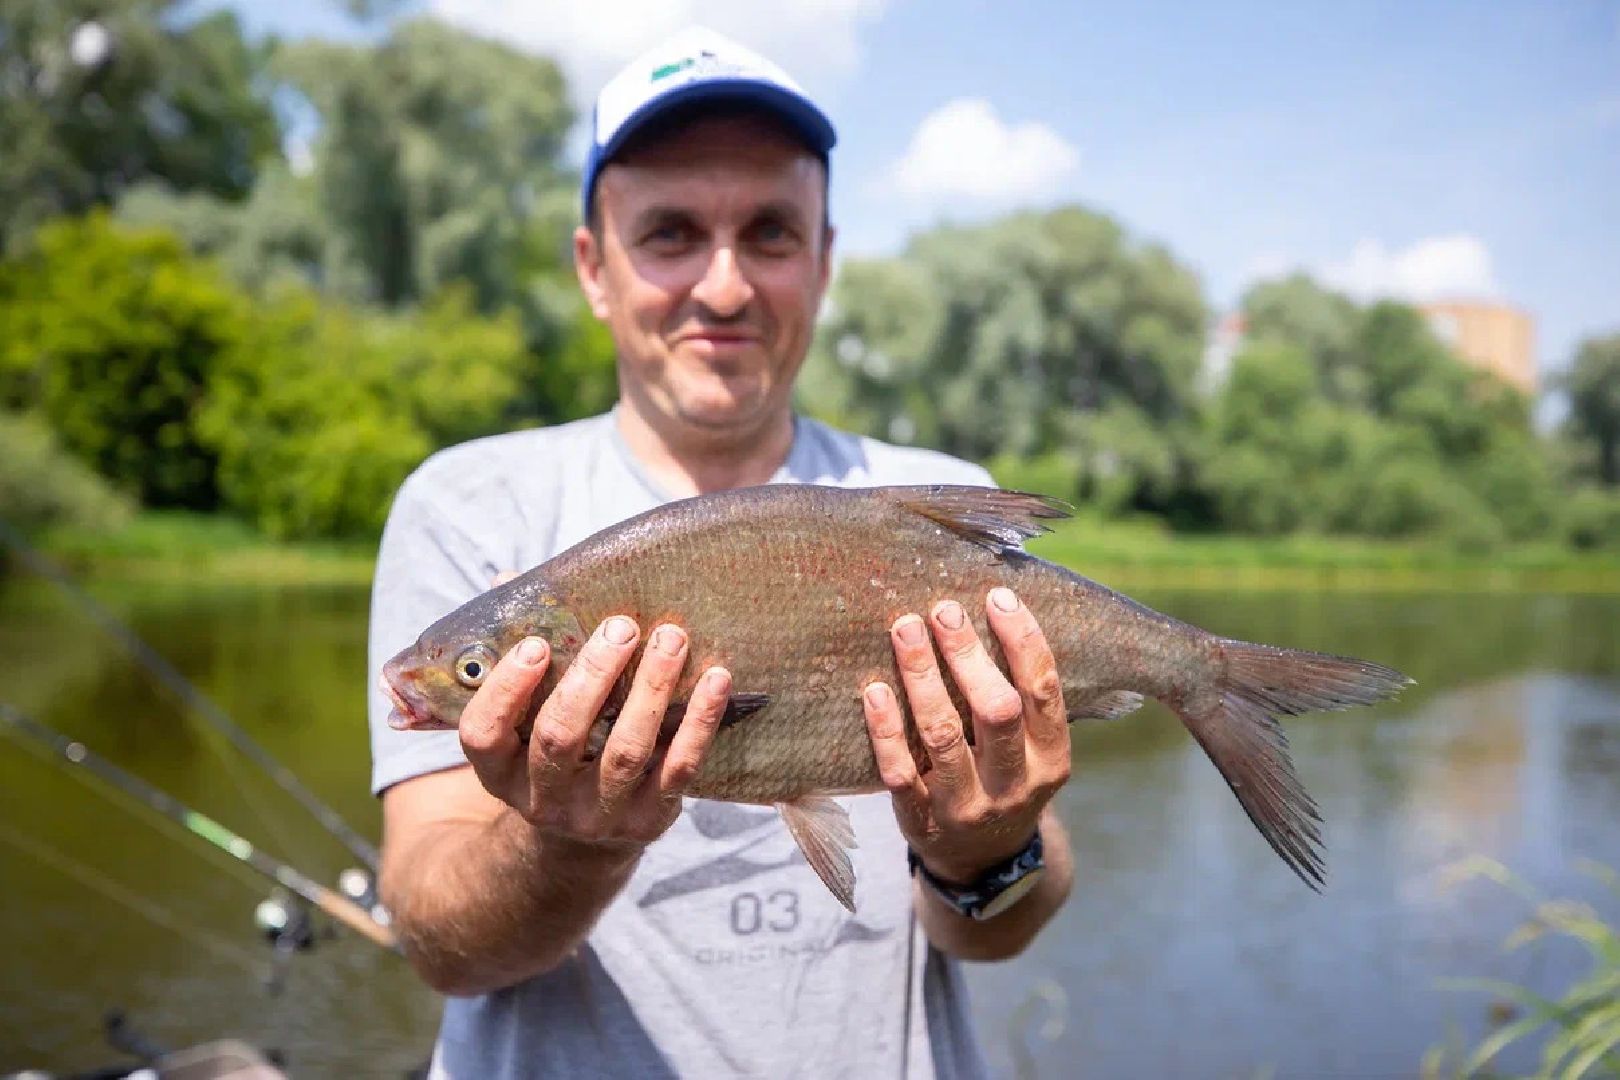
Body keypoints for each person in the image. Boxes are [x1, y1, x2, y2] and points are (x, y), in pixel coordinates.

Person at [368, 26, 1075, 1078]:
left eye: (772, 234)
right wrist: (573, 838)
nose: (726, 285)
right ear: (593, 266)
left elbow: (1009, 919)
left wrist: (986, 851)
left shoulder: (946, 507)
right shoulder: (472, 508)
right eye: (670, 233)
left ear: (825, 262)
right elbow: (436, 940)